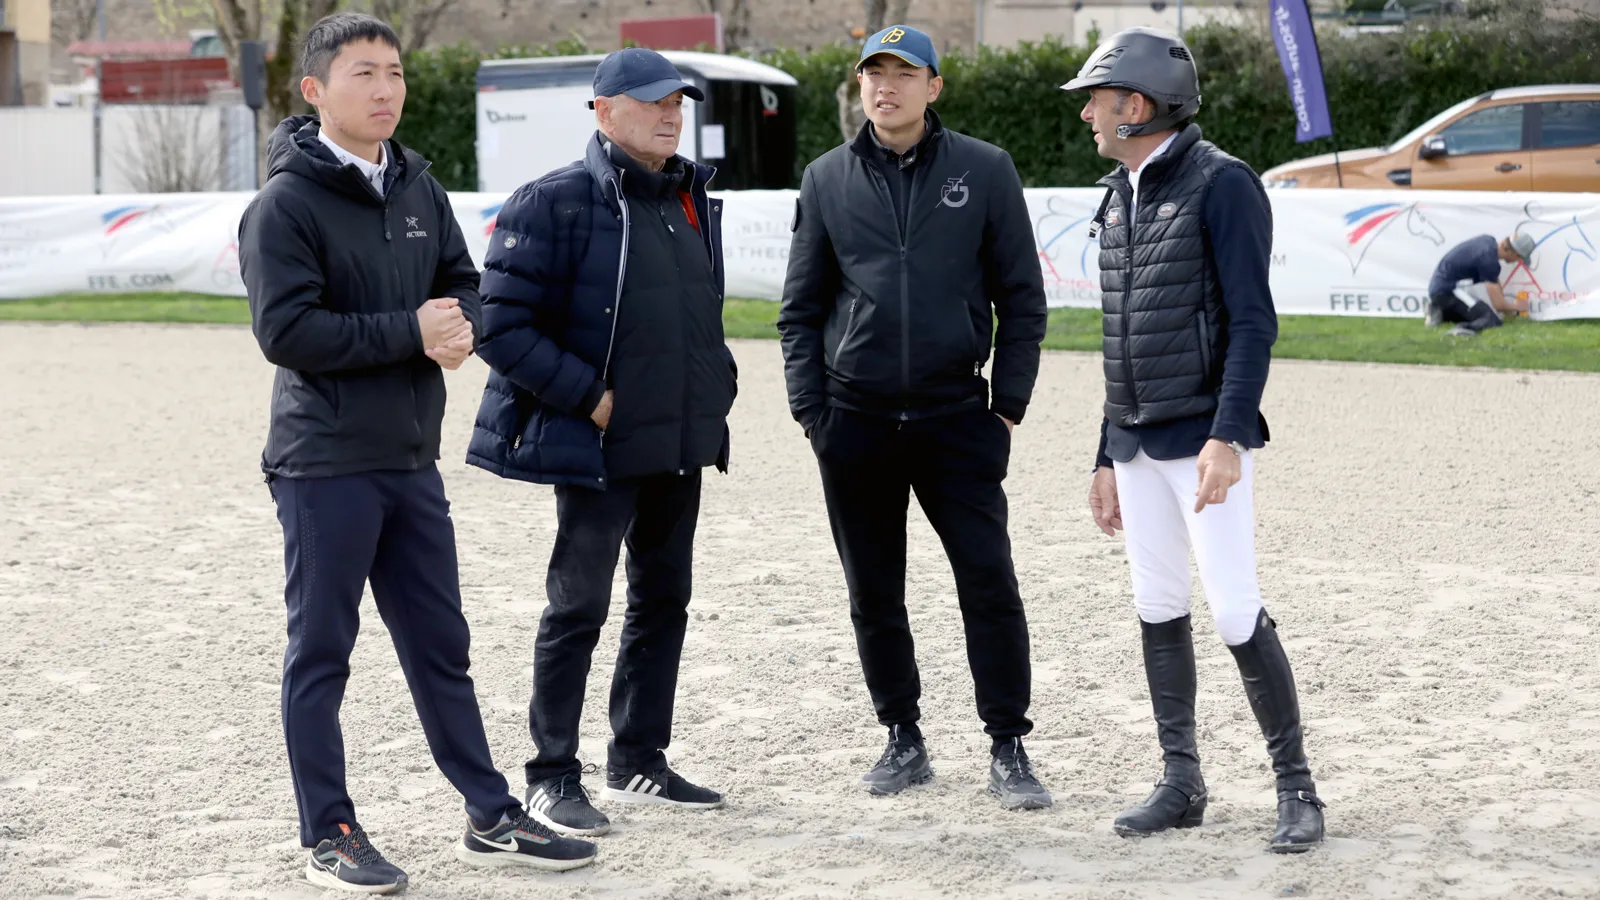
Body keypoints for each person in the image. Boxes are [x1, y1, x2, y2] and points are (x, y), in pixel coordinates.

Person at [238, 12, 596, 892]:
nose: (387, 88)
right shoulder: (284, 204)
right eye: (365, 73)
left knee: (442, 645)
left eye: (395, 72)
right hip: (323, 463)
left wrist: (458, 326)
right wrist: (410, 331)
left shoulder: (418, 188)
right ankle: (329, 832)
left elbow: (462, 283)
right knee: (322, 651)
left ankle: (489, 810)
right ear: (315, 90)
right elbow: (285, 331)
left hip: (409, 459)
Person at [1062, 26, 1326, 852]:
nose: (1087, 119)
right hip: (1137, 444)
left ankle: (1298, 791)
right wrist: (1106, 453)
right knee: (1156, 605)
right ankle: (1182, 781)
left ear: (1135, 105)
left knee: (1236, 608)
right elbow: (1122, 335)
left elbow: (1253, 323)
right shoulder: (1118, 192)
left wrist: (1228, 437)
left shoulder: (1224, 185)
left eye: (1095, 104)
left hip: (1202, 442)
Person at [778, 24, 1051, 810]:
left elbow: (1023, 301)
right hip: (854, 421)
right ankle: (902, 736)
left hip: (956, 417)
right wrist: (812, 412)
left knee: (989, 581)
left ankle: (1008, 744)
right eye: (873, 73)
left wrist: (1008, 407)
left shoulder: (985, 169)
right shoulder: (826, 178)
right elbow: (799, 312)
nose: (885, 87)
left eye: (904, 73)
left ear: (935, 87)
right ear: (860, 86)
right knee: (874, 592)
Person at [466, 47, 736, 838]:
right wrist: (591, 398)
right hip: (596, 444)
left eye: (676, 103)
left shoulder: (691, 198)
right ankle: (551, 775)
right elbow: (500, 327)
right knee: (577, 606)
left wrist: (714, 388)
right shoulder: (551, 201)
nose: (668, 114)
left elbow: (695, 317)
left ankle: (639, 759)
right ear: (603, 110)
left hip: (678, 440)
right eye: (652, 102)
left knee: (664, 601)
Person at [1425, 233, 1534, 335]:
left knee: (1476, 313)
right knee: (1490, 318)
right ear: (1514, 253)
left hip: (1441, 289)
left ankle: (1440, 311)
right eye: (1519, 258)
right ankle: (1461, 330)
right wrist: (1517, 307)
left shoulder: (1488, 242)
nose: (1518, 261)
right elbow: (1498, 305)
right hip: (1448, 290)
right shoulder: (1489, 260)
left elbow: (1495, 283)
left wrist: (1508, 310)